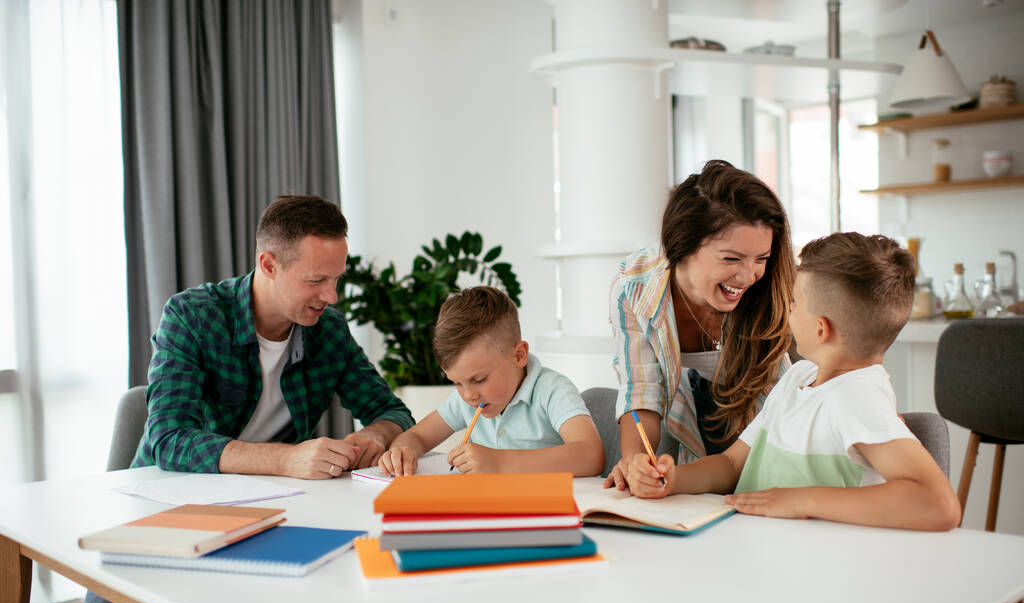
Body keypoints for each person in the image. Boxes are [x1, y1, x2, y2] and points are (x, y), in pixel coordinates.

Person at [81, 194, 414, 603]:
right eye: (317, 280)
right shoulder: (193, 316)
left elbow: (391, 411)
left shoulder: (329, 331)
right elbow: (170, 438)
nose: (332, 295)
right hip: (171, 508)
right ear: (269, 264)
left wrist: (374, 437)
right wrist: (287, 460)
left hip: (277, 515)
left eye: (336, 278)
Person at [616, 232, 961, 531]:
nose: (787, 310)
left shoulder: (857, 397)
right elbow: (733, 463)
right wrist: (673, 479)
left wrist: (800, 501)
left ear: (821, 329)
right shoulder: (799, 377)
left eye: (794, 303)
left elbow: (939, 504)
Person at [606, 160, 796, 488]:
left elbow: (784, 412)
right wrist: (637, 461)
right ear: (684, 245)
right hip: (696, 475)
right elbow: (640, 392)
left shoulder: (773, 294)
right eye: (732, 258)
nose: (749, 276)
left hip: (775, 465)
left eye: (761, 259)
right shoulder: (634, 288)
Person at [378, 286, 604, 476]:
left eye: (479, 379)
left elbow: (591, 455)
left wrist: (499, 463)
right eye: (457, 383)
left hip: (544, 513)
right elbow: (416, 436)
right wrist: (401, 452)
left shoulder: (552, 390)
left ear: (519, 356)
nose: (467, 395)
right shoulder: (468, 399)